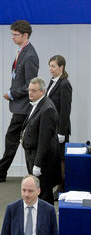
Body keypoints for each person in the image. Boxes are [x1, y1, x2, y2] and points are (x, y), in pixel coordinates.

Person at [0, 20, 39, 183]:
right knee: (18, 140)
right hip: (20, 106)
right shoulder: (23, 51)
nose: (13, 37)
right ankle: (13, 173)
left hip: (24, 107)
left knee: (18, 140)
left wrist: (12, 93)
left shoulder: (30, 55)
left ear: (25, 35)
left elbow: (30, 85)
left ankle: (6, 172)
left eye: (16, 35)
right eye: (12, 34)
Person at [21, 77, 62, 205]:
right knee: (39, 193)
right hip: (32, 155)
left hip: (42, 161)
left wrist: (37, 164)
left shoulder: (47, 109)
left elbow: (45, 140)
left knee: (43, 193)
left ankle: (46, 221)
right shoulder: (37, 104)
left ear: (42, 92)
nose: (30, 93)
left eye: (33, 90)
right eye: (29, 90)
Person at [47, 55, 72, 196]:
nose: (50, 69)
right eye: (50, 66)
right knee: (54, 158)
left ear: (61, 67)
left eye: (53, 66)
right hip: (52, 128)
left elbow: (65, 110)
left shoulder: (64, 84)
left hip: (60, 129)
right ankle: (55, 185)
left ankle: (62, 187)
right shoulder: (53, 82)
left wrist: (62, 131)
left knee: (62, 159)